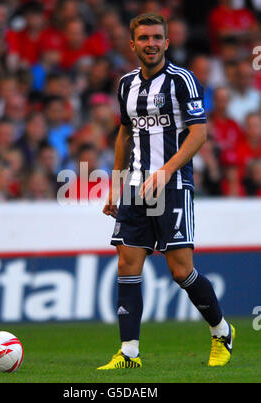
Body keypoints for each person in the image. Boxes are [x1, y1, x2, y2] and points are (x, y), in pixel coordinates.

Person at [98, 13, 235, 371]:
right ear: (133, 44)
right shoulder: (126, 84)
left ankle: (221, 332)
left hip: (172, 186)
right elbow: (125, 134)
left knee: (180, 271)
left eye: (157, 37)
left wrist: (165, 171)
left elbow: (199, 133)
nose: (151, 43)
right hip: (134, 188)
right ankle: (128, 353)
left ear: (167, 42)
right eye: (144, 38)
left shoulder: (182, 81)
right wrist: (115, 185)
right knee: (127, 264)